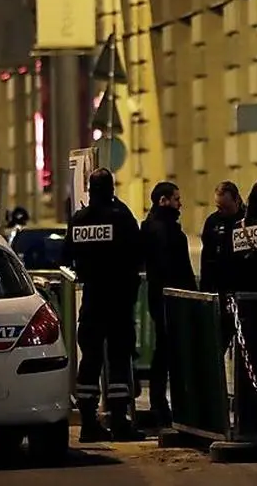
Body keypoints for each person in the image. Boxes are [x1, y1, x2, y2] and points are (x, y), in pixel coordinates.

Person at [61, 168, 146, 442]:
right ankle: (120, 423)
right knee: (119, 361)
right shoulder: (120, 217)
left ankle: (88, 423)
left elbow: (65, 256)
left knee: (90, 363)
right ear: (111, 189)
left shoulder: (79, 220)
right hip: (118, 301)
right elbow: (137, 253)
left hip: (92, 301)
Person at [139, 181, 196, 427]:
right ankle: (164, 405)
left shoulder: (153, 227)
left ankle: (160, 402)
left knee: (164, 350)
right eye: (176, 198)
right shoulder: (165, 231)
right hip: (170, 298)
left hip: (160, 295)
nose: (179, 203)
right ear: (163, 200)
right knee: (168, 351)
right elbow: (174, 268)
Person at [198, 181, 246, 294]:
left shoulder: (248, 220)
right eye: (219, 207)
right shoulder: (212, 222)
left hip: (242, 285)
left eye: (227, 208)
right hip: (218, 285)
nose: (223, 212)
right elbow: (206, 257)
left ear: (237, 200)